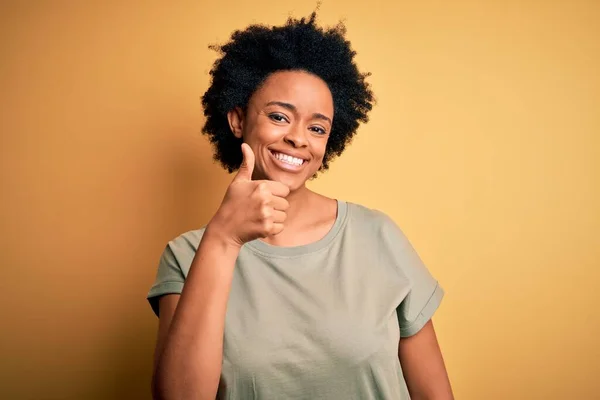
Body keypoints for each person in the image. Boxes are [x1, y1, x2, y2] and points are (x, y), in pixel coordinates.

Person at [147, 11, 453, 400]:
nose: (298, 139)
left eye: (317, 127)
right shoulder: (186, 256)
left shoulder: (377, 235)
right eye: (279, 116)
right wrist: (223, 239)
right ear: (238, 120)